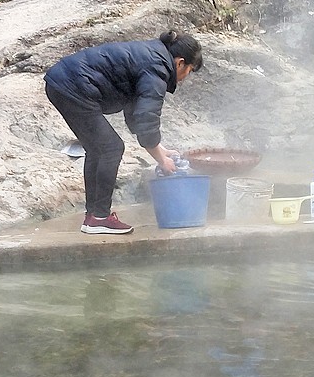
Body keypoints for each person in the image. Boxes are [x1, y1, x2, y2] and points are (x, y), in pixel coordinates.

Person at [44, 30, 203, 235]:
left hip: (63, 83)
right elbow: (146, 117)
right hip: (73, 86)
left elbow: (135, 113)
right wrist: (161, 160)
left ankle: (93, 217)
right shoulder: (158, 68)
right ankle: (99, 218)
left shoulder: (151, 56)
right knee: (111, 148)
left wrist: (161, 150)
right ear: (180, 63)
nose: (185, 77)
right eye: (190, 70)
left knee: (97, 149)